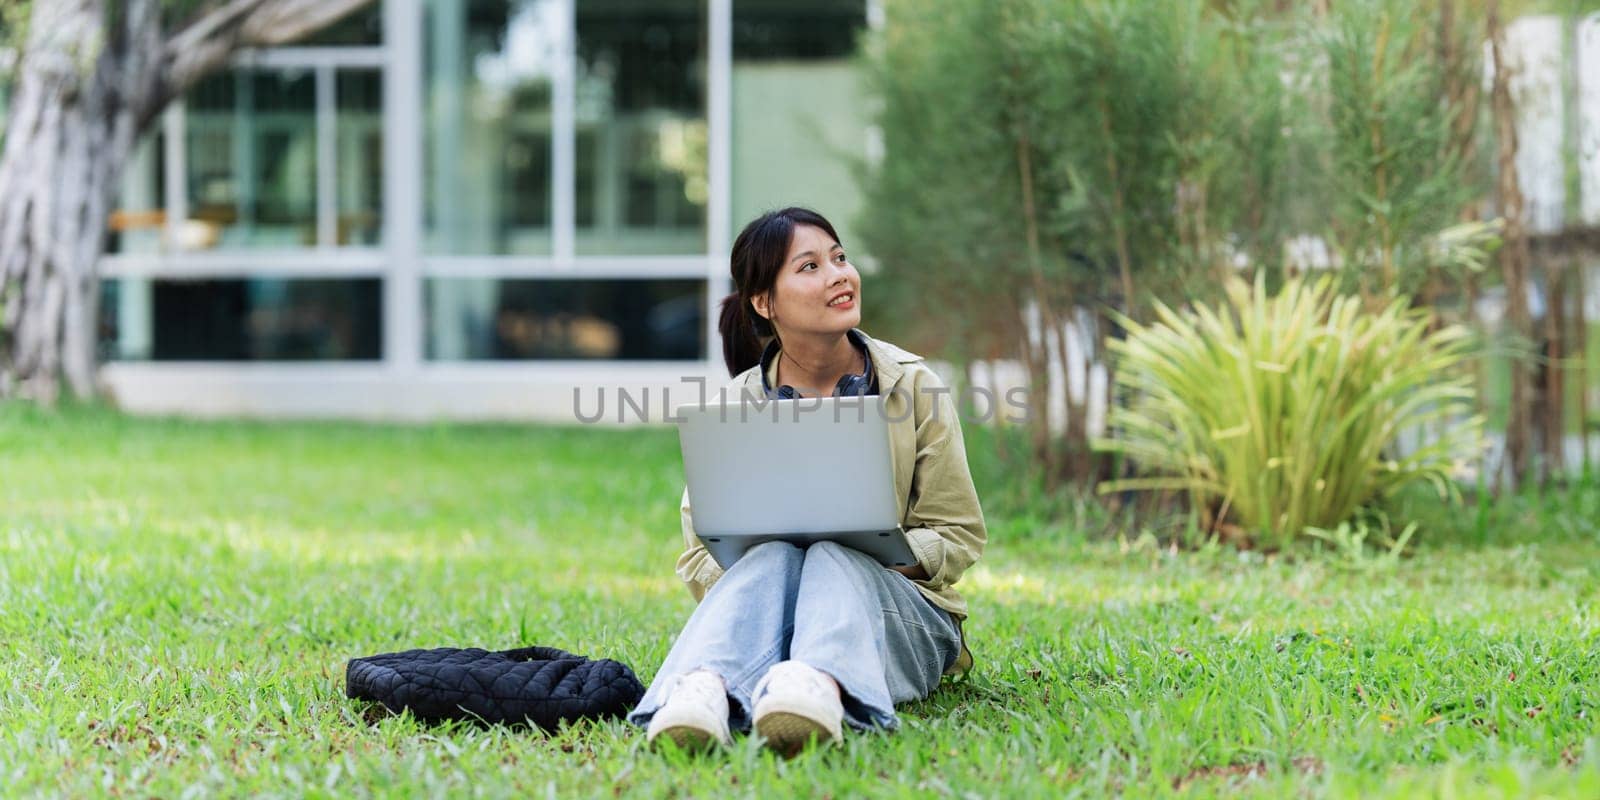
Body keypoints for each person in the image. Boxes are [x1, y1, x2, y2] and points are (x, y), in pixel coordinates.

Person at [626, 207, 987, 755]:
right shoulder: (735, 406)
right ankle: (703, 690)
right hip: (771, 613)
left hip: (903, 615)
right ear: (764, 302)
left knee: (833, 557)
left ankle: (814, 685)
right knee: (776, 559)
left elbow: (959, 533)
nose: (839, 274)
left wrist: (877, 553)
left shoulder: (914, 386)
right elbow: (699, 554)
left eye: (839, 258)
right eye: (811, 266)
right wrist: (778, 572)